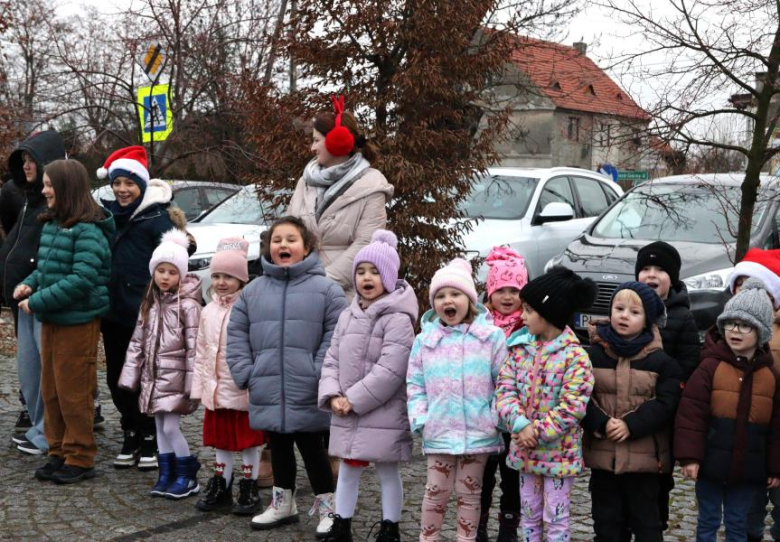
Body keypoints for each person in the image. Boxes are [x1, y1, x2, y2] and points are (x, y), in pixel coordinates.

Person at [227, 216, 348, 536]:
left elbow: (336, 335)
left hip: (307, 384)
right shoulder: (253, 291)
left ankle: (328, 508)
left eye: (291, 239)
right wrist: (247, 372)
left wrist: (318, 370)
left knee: (311, 447)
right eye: (277, 239)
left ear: (307, 247)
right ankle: (283, 503)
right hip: (267, 382)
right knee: (278, 444)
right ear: (268, 246)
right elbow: (236, 333)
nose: (284, 245)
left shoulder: (326, 290)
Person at [15, 159, 113, 484]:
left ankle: (81, 456)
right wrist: (31, 282)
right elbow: (47, 269)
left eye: (48, 184)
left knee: (74, 392)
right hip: (52, 319)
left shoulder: (89, 230)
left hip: (78, 323)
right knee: (52, 390)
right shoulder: (53, 225)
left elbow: (82, 279)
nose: (44, 191)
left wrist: (38, 300)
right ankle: (58, 451)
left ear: (67, 188)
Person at [318, 230, 417, 542]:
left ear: (388, 276)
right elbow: (331, 357)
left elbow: (391, 369)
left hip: (382, 411)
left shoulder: (398, 318)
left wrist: (354, 399)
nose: (366, 278)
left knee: (387, 471)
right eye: (361, 271)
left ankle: (390, 528)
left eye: (374, 271)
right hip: (347, 409)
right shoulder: (348, 314)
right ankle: (342, 524)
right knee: (348, 470)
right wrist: (333, 394)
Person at [98, 145, 189, 470]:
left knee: (145, 377)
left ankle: (150, 434)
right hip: (112, 312)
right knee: (117, 379)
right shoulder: (106, 214)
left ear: (141, 185)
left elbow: (175, 265)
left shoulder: (157, 217)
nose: (122, 190)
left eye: (129, 184)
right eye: (117, 183)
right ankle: (130, 430)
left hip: (146, 313)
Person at [406, 258, 508, 542]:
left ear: (469, 299)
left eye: (455, 294)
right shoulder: (425, 341)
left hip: (479, 432)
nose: (447, 301)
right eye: (440, 296)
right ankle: (429, 538)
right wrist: (422, 419)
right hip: (438, 430)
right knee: (435, 490)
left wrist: (494, 418)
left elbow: (504, 383)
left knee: (470, 493)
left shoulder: (491, 338)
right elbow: (415, 384)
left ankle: (466, 539)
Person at [495, 266, 596, 542]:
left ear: (549, 312)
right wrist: (519, 424)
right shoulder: (518, 350)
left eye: (528, 310)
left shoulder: (575, 357)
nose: (522, 316)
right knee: (529, 516)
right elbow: (504, 390)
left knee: (556, 519)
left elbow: (571, 407)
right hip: (525, 455)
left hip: (558, 457)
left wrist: (534, 432)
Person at [675, 278, 780, 542]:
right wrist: (690, 457)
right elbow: (691, 415)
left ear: (762, 332)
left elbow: (777, 428)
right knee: (708, 520)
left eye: (745, 325)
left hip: (748, 470)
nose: (736, 330)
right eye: (731, 323)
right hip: (710, 465)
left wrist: (775, 467)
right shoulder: (709, 367)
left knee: (738, 523)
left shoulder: (770, 376)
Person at [582, 282, 682, 542]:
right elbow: (579, 397)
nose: (624, 315)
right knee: (606, 523)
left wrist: (631, 425)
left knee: (647, 523)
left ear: (648, 319)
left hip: (645, 462)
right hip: (604, 458)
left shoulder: (662, 362)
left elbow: (666, 403)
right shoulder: (592, 357)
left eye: (634, 312)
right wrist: (602, 423)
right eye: (619, 308)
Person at [118, 229, 203, 499]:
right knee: (158, 427)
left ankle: (188, 474)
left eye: (171, 272)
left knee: (170, 427)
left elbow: (194, 348)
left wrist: (193, 384)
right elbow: (137, 341)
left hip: (176, 381)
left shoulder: (188, 306)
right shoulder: (151, 303)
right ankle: (166, 473)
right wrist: (131, 376)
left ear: (181, 274)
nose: (165, 277)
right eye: (161, 271)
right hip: (153, 379)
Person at [287, 95, 393, 298]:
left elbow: (365, 244)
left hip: (345, 296)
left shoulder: (372, 186)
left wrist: (323, 284)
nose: (312, 148)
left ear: (337, 143)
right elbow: (289, 231)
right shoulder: (305, 182)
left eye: (317, 140)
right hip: (300, 291)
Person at [0, 130, 66, 453]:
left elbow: (54, 255)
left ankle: (51, 432)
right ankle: (38, 425)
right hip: (22, 298)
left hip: (43, 299)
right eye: (23, 160)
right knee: (29, 370)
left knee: (49, 369)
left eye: (32, 160)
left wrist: (35, 285)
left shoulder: (58, 205)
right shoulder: (21, 197)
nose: (27, 166)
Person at [192, 238, 267, 515]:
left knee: (248, 441)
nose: (222, 282)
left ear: (241, 279)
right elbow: (201, 350)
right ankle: (221, 483)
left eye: (229, 276)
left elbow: (257, 349)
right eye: (217, 276)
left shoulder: (248, 309)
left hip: (241, 390)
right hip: (216, 390)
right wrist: (199, 386)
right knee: (220, 441)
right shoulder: (208, 310)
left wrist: (254, 383)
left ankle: (249, 484)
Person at [634, 240, 701, 533]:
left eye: (659, 269)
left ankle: (655, 526)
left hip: (664, 417)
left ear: (672, 278)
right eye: (645, 268)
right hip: (627, 409)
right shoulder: (626, 309)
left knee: (657, 483)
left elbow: (688, 365)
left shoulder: (682, 317)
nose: (651, 274)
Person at [726, 249, 780, 542]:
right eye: (739, 283)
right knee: (750, 505)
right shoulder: (730, 327)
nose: (743, 289)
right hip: (749, 433)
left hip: (775, 426)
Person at [477, 246, 528, 542]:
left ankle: (508, 526)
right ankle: (478, 523)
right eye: (501, 290)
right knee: (483, 475)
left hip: (516, 415)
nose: (507, 297)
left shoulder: (528, 324)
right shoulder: (480, 324)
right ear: (490, 292)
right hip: (484, 411)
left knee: (512, 476)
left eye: (514, 289)